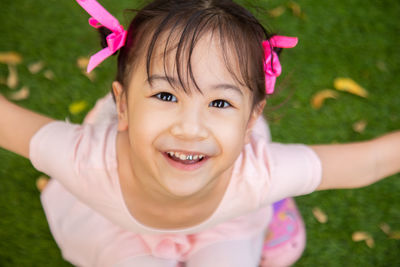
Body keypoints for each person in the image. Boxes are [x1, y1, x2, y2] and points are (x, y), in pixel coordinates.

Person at [0, 0, 399, 266]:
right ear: (122, 106)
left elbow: (374, 159)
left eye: (220, 103)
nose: (189, 128)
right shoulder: (85, 160)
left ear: (248, 123)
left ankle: (272, 205)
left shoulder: (259, 171)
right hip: (112, 223)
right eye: (165, 94)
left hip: (228, 216)